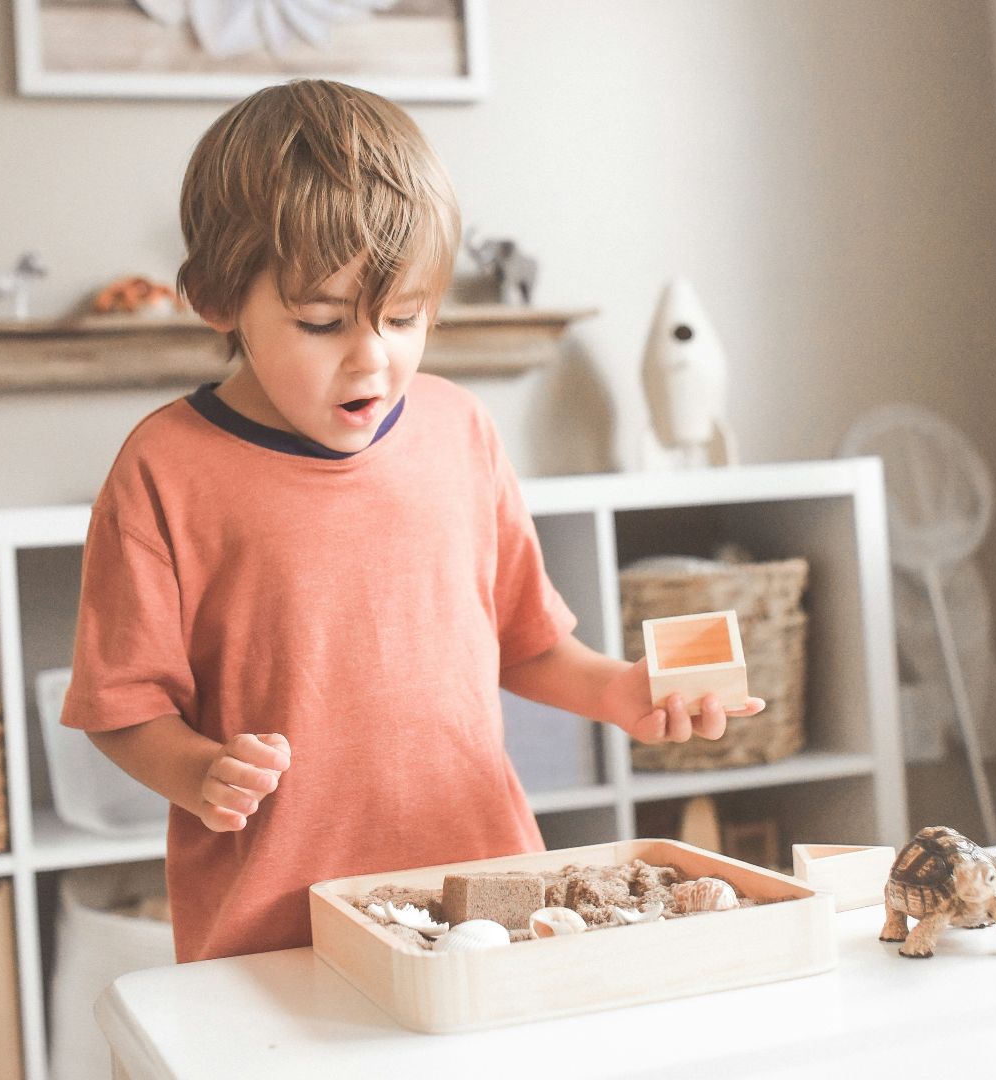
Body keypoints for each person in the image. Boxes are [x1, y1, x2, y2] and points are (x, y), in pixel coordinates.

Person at [59, 79, 763, 963]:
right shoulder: (163, 469)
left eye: (404, 318)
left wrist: (618, 693)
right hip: (277, 928)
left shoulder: (460, 430)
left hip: (487, 897)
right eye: (321, 322)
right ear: (217, 299)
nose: (372, 358)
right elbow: (120, 706)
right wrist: (198, 773)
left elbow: (525, 641)